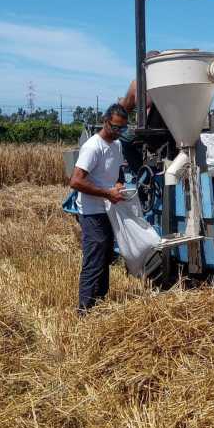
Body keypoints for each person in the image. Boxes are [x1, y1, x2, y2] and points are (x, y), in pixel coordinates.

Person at [68, 104, 128, 314]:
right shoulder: (93, 147)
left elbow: (118, 172)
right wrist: (107, 193)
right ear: (105, 122)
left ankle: (100, 303)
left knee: (105, 257)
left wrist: (119, 184)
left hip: (107, 210)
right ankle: (84, 311)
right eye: (115, 127)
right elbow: (75, 181)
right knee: (94, 260)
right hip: (91, 211)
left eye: (122, 129)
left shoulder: (117, 145)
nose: (118, 132)